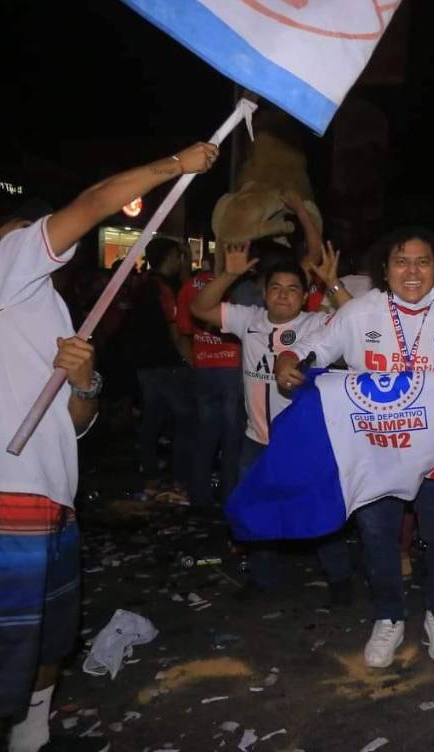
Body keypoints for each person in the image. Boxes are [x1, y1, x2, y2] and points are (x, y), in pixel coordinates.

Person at [0, 141, 220, 752]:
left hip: (52, 498)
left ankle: (31, 740)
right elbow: (90, 204)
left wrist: (85, 382)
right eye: (21, 229)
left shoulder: (44, 304)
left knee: (44, 645)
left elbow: (77, 423)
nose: (35, 235)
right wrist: (175, 166)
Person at [274, 226, 434, 669]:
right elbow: (313, 346)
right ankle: (388, 617)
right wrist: (288, 360)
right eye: (401, 261)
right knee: (377, 536)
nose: (412, 271)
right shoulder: (359, 312)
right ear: (385, 268)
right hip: (376, 451)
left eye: (422, 261)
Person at [191, 240, 351, 599]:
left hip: (303, 443)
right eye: (275, 288)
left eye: (293, 289)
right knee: (258, 510)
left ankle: (339, 578)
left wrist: (334, 284)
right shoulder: (249, 319)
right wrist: (229, 275)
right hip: (257, 439)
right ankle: (263, 579)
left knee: (316, 508)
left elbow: (358, 322)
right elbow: (199, 308)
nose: (283, 296)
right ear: (263, 292)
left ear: (305, 295)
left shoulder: (317, 324)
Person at [124, 237, 191, 490]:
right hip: (165, 362)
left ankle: (150, 471)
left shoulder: (142, 283)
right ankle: (181, 476)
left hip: (145, 362)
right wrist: (188, 358)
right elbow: (174, 327)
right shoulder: (162, 288)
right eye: (178, 256)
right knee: (184, 417)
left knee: (153, 416)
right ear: (169, 257)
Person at [176, 262, 244, 510]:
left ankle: (200, 498)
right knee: (232, 438)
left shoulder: (189, 287)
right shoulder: (236, 285)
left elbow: (182, 327)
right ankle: (229, 499)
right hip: (232, 366)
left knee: (205, 436)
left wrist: (192, 360)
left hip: (203, 366)